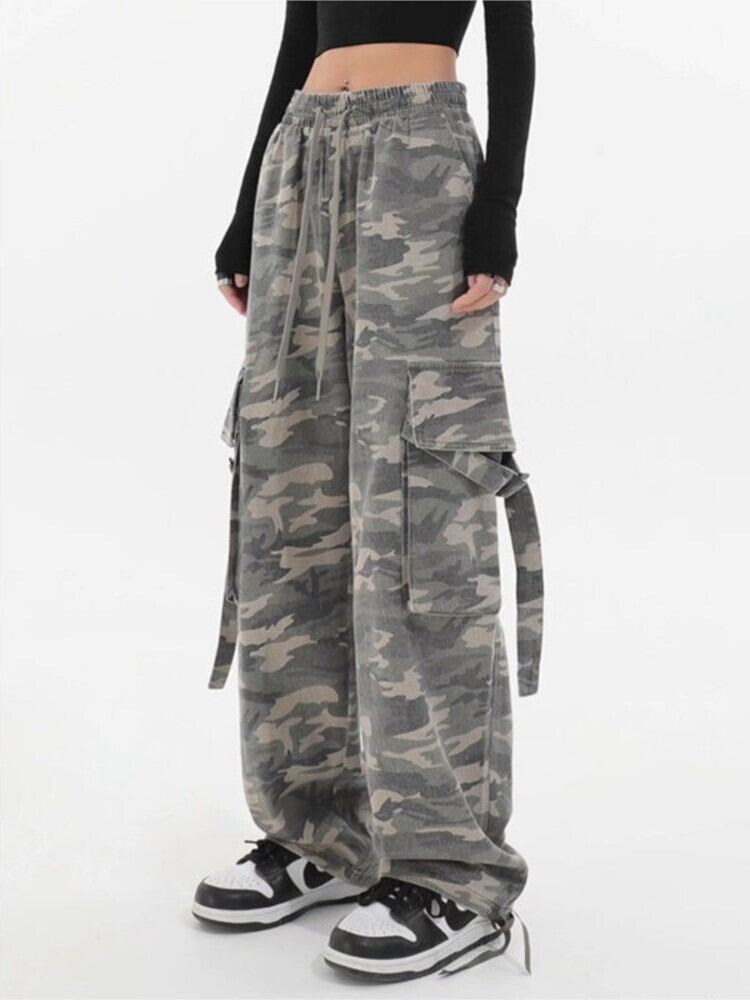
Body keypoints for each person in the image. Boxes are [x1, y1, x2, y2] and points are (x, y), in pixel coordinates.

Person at [193, 1, 543, 982]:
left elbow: (511, 33)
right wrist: (246, 207)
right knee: (290, 495)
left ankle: (453, 872)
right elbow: (298, 41)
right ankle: (321, 829)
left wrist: (499, 206)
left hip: (419, 159)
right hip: (301, 157)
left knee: (417, 507)